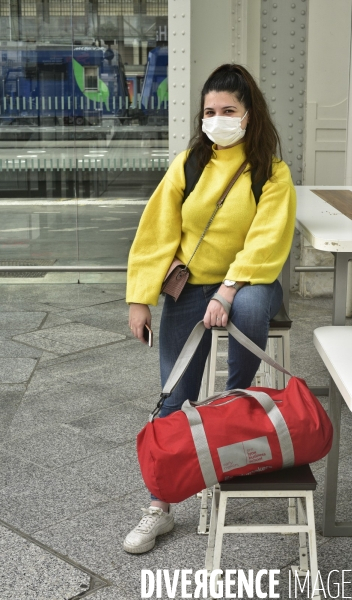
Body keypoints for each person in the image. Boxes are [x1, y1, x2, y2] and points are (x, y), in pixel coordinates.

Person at [124, 63, 296, 554]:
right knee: (174, 390)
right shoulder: (189, 165)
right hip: (191, 285)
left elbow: (268, 240)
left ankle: (235, 406)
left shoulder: (271, 172)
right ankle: (158, 507)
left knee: (250, 304)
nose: (218, 118)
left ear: (249, 115)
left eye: (229, 111)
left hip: (249, 280)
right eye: (210, 111)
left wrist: (227, 289)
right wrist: (140, 298)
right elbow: (157, 231)